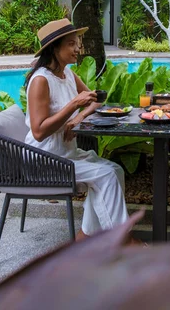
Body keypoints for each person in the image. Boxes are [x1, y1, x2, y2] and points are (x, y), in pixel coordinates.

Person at [25, 18, 129, 239]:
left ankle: (85, 237)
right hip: (44, 159)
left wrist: (78, 117)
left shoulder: (68, 74)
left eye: (77, 43)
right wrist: (73, 105)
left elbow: (96, 100)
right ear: (55, 48)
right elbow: (39, 131)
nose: (78, 48)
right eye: (72, 43)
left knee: (115, 170)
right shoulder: (41, 81)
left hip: (66, 154)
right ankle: (122, 241)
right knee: (105, 176)